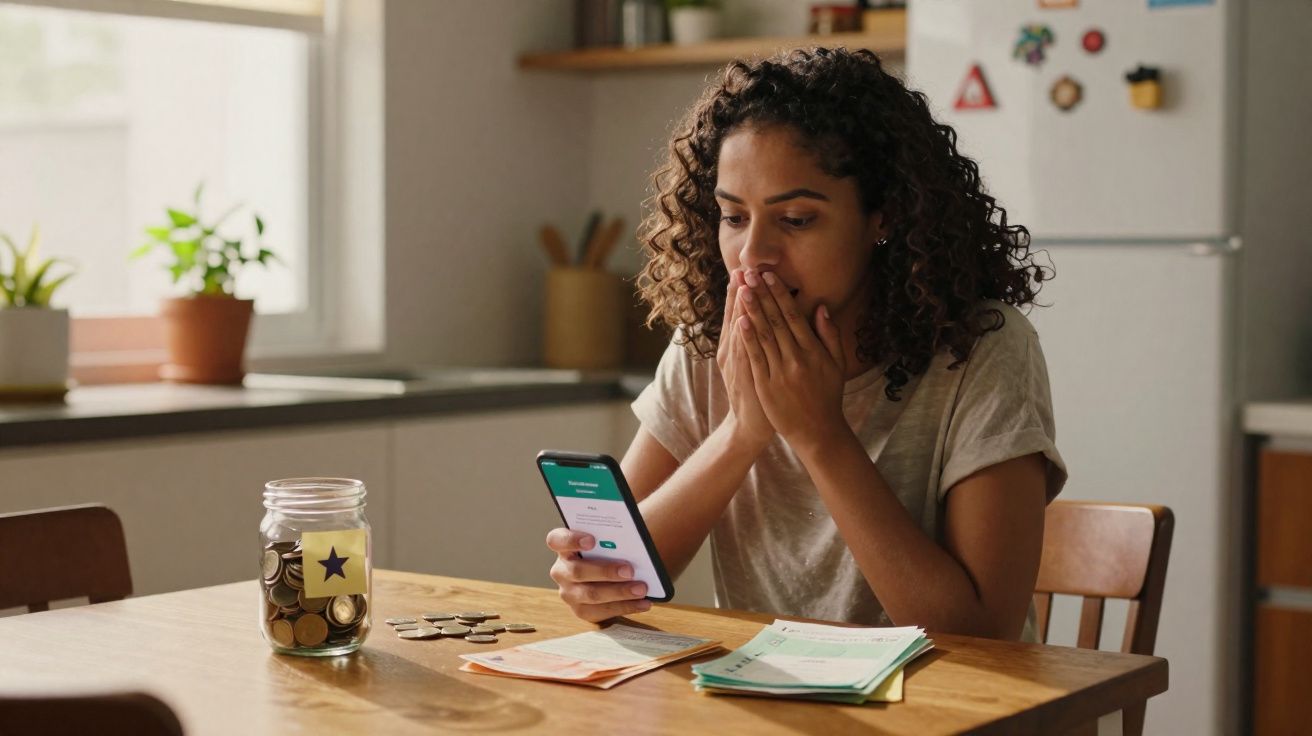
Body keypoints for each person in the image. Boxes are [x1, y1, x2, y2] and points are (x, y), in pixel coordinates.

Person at [545, 47, 1066, 641]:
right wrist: (744, 431)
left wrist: (819, 434)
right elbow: (616, 581)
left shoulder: (980, 349)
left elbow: (982, 638)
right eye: (734, 218)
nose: (753, 255)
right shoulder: (707, 341)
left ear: (883, 219)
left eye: (795, 219)